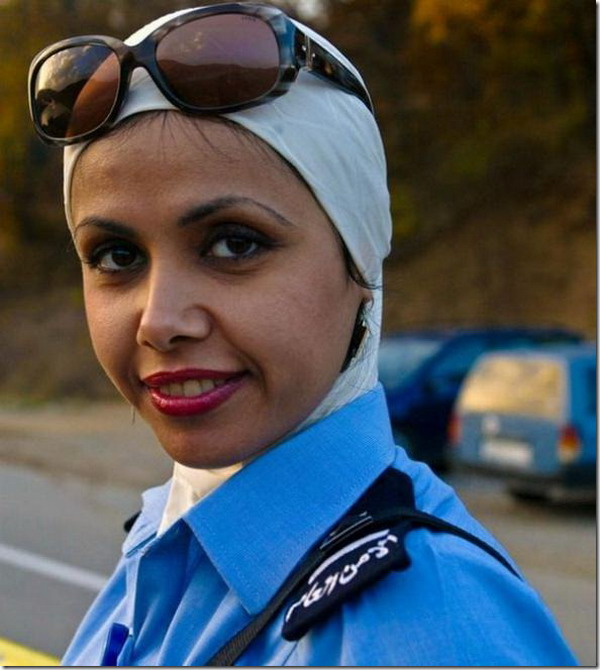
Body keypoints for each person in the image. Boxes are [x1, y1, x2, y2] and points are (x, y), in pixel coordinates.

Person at [28, 3, 578, 666]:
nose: (160, 321)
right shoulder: (171, 530)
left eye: (234, 244)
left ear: (360, 263)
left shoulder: (428, 625)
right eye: (117, 256)